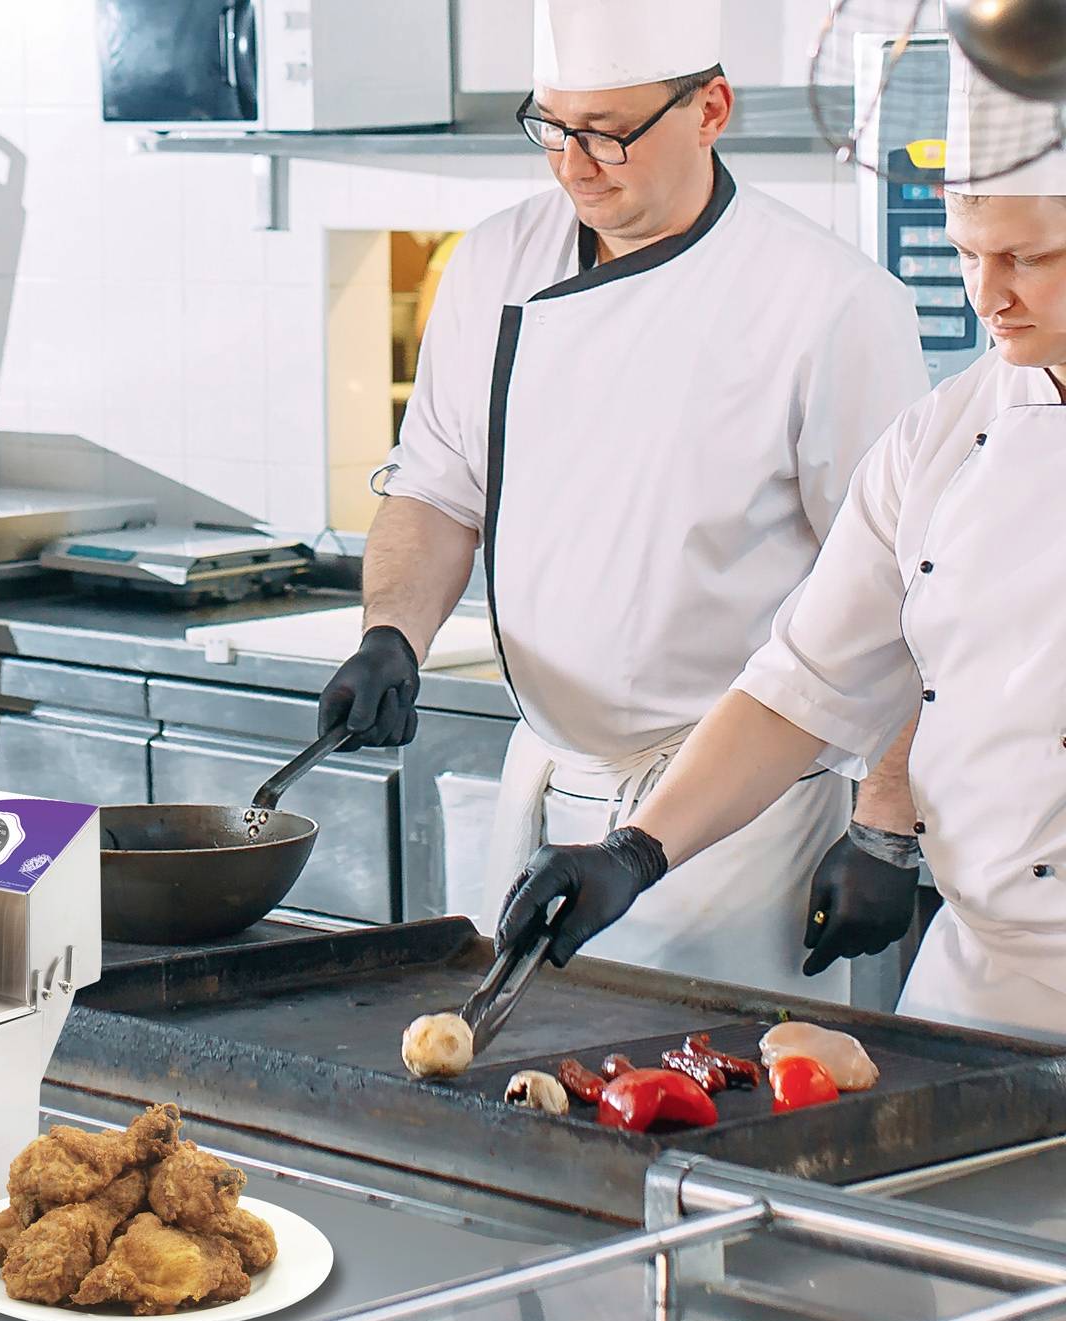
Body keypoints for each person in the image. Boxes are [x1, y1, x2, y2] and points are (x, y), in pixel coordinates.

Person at [316, 0, 929, 999]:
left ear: (710, 108)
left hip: (734, 822)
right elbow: (435, 490)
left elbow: (902, 598)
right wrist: (391, 631)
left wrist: (885, 821)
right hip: (546, 785)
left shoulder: (830, 304)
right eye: (551, 127)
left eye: (605, 133)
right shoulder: (491, 264)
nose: (570, 164)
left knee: (695, 1112)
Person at [501, 62, 1066, 1040]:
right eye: (967, 253)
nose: (987, 295)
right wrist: (635, 851)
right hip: (984, 983)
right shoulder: (937, 440)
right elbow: (796, 685)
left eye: (1027, 257)